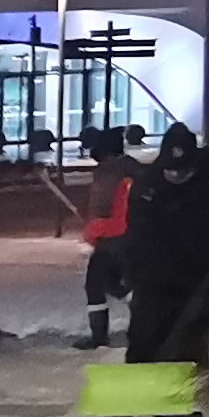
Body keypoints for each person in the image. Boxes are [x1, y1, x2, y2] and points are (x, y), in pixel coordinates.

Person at [119, 125, 209, 417]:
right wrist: (133, 276)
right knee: (145, 334)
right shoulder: (148, 185)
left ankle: (175, 402)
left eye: (183, 171)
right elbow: (137, 236)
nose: (176, 176)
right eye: (171, 171)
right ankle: (130, 401)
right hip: (153, 269)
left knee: (188, 337)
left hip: (195, 270)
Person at [73, 125, 137, 350]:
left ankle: (99, 336)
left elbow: (102, 205)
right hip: (129, 234)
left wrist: (93, 227)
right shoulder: (131, 168)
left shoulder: (109, 171)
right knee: (113, 281)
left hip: (112, 235)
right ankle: (142, 313)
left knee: (95, 284)